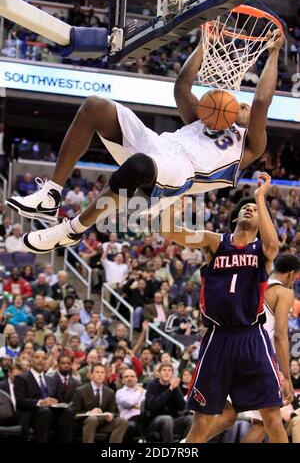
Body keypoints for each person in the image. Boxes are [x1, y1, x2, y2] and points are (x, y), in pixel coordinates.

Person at [5, 32, 285, 253]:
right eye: (241, 105)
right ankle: (51, 195)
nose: (243, 107)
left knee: (138, 166)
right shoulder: (204, 120)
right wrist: (204, 45)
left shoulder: (250, 145)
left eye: (246, 109)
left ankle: (72, 230)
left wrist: (273, 53)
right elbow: (181, 87)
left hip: (182, 171)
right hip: (159, 144)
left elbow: (261, 100)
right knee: (95, 106)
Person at [160, 173, 288, 443]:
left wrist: (260, 197)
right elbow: (168, 231)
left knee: (272, 417)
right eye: (245, 208)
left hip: (251, 336)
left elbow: (274, 246)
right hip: (218, 337)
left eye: (253, 209)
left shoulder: (261, 250)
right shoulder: (215, 242)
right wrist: (175, 203)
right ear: (235, 217)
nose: (250, 209)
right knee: (202, 420)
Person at [240, 254, 300, 443]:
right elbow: (280, 335)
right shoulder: (284, 292)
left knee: (258, 423)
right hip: (259, 358)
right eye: (296, 277)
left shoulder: (253, 285)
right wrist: (287, 377)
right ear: (291, 274)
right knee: (272, 420)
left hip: (236, 352)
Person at [14, 350, 74, 442]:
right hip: (31, 414)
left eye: (44, 358)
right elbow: (20, 401)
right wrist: (40, 402)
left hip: (51, 414)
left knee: (68, 412)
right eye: (37, 357)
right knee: (45, 411)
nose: (40, 360)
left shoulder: (51, 380)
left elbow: (58, 399)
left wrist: (59, 403)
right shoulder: (22, 378)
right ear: (31, 360)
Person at [73, 363, 128, 443]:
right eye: (97, 372)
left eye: (102, 372)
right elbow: (75, 412)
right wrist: (89, 413)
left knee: (122, 421)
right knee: (92, 419)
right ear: (91, 375)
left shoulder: (110, 392)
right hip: (86, 423)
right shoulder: (80, 391)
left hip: (104, 423)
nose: (100, 375)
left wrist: (110, 415)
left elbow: (115, 412)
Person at [145, 362, 192, 442]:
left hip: (173, 419)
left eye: (169, 370)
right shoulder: (152, 385)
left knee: (190, 419)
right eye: (164, 370)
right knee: (167, 419)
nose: (167, 372)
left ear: (172, 374)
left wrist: (175, 388)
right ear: (159, 373)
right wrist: (170, 389)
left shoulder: (174, 386)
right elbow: (152, 405)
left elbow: (182, 406)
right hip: (155, 420)